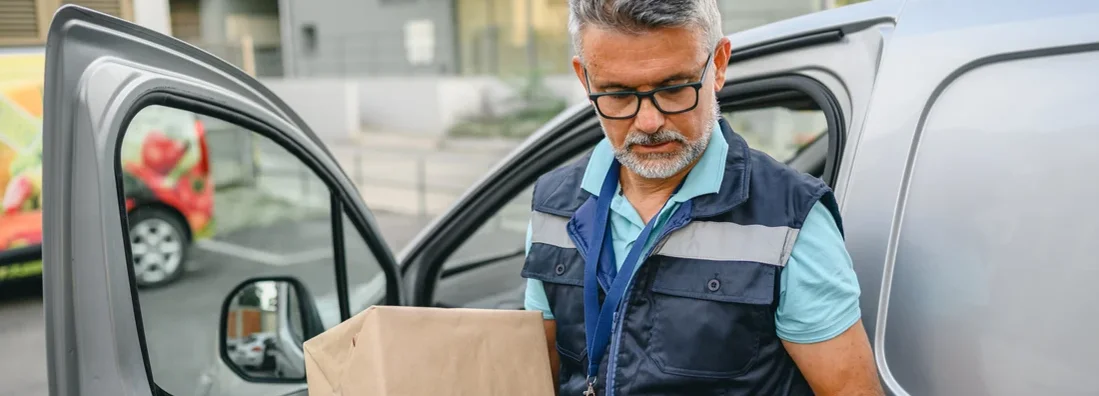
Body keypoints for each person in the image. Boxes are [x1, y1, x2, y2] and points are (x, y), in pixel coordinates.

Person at [519, 0, 884, 395]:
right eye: (618, 94)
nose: (648, 122)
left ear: (720, 64)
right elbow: (534, 378)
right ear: (584, 76)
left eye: (674, 88)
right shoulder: (553, 206)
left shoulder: (790, 220)